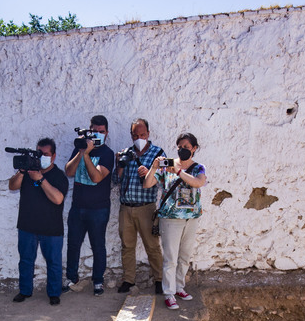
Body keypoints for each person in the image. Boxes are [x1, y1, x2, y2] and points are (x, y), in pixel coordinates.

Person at [143, 132, 208, 310]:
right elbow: (147, 184)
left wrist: (179, 171)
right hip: (171, 218)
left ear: (194, 148)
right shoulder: (166, 166)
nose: (182, 150)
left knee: (185, 256)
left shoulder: (198, 168)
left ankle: (179, 287)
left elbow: (198, 183)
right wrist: (154, 167)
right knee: (171, 258)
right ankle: (169, 293)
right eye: (180, 147)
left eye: (186, 147)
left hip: (191, 218)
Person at [8, 138, 69, 306]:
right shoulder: (27, 172)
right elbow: (12, 186)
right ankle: (25, 291)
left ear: (54, 156)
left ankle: (54, 293)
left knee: (54, 262)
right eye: (38, 153)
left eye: (45, 154)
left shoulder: (58, 176)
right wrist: (22, 171)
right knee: (26, 260)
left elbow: (57, 199)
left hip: (51, 228)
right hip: (27, 225)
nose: (41, 157)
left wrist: (40, 179)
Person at [63, 115, 114, 297]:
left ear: (106, 133)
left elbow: (96, 177)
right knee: (73, 244)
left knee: (98, 245)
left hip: (99, 209)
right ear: (89, 130)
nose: (97, 134)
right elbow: (69, 171)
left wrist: (86, 154)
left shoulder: (107, 154)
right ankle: (72, 279)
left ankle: (98, 281)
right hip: (77, 207)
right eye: (94, 131)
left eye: (101, 132)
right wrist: (82, 151)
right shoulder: (79, 149)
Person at [114, 118, 165, 294]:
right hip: (126, 207)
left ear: (149, 134)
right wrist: (119, 166)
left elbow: (163, 181)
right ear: (131, 135)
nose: (139, 138)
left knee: (152, 245)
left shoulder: (158, 154)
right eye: (135, 135)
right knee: (127, 245)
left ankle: (159, 279)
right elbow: (115, 181)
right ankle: (128, 279)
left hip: (146, 206)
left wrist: (149, 172)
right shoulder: (125, 153)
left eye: (142, 134)